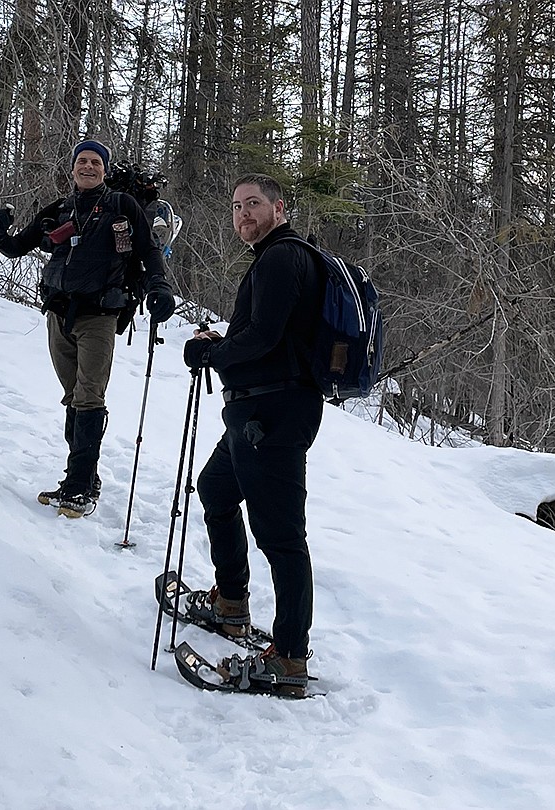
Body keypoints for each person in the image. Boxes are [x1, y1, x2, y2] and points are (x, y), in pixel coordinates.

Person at [181, 172, 325, 695]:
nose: (244, 213)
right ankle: (232, 603)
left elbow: (264, 338)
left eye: (254, 204)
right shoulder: (275, 260)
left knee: (283, 537)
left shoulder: (284, 257)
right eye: (237, 205)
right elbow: (269, 334)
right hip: (258, 410)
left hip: (273, 413)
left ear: (279, 209)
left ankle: (289, 655)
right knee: (216, 489)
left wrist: (213, 353)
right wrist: (221, 344)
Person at [0, 140, 176, 518]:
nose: (88, 167)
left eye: (95, 162)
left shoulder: (123, 207)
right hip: (58, 313)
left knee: (88, 396)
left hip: (100, 316)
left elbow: (149, 251)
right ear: (72, 168)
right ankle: (84, 478)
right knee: (73, 395)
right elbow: (19, 246)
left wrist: (159, 285)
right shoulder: (60, 208)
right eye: (82, 161)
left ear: (104, 169)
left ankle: (79, 489)